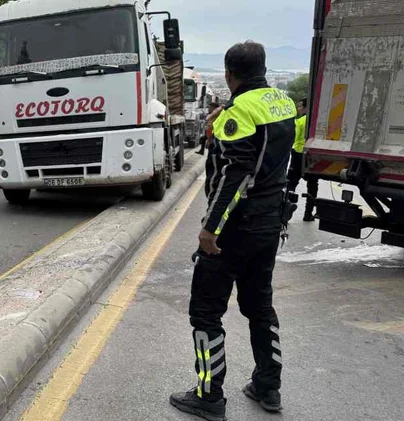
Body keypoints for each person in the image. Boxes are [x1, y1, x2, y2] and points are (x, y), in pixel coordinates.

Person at [169, 41, 296, 421]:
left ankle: (209, 396)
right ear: (264, 68)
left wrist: (210, 229)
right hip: (271, 224)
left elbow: (234, 176)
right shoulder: (282, 104)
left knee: (205, 313)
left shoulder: (238, 113)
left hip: (236, 230)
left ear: (229, 73)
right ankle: (267, 385)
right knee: (260, 307)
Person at [286, 98, 318, 221]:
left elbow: (293, 138)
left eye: (300, 106)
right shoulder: (316, 122)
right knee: (312, 186)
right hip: (312, 156)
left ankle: (286, 211)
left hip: (298, 154)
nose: (298, 109)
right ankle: (308, 214)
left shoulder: (299, 122)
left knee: (291, 183)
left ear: (306, 108)